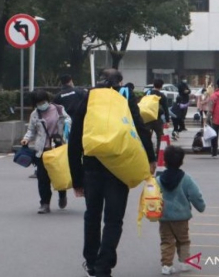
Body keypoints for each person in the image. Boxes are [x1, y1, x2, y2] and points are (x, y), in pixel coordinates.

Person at [68, 68, 156, 277]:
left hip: (92, 166)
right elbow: (139, 128)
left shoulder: (88, 98)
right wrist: (151, 157)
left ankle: (91, 261)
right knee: (113, 220)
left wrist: (76, 177)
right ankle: (104, 266)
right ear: (119, 81)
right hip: (119, 165)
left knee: (92, 216)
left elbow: (75, 139)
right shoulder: (125, 96)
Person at [157, 146, 206, 275]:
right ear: (181, 162)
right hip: (181, 217)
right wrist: (201, 207)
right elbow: (195, 195)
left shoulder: (158, 180)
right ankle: (184, 262)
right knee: (183, 240)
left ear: (165, 161)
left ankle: (166, 265)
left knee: (167, 241)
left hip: (164, 217)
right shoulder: (186, 179)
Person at [21, 89, 71, 213]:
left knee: (59, 175)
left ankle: (62, 194)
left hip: (58, 148)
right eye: (38, 103)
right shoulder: (35, 114)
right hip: (42, 150)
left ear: (48, 100)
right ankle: (44, 204)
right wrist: (26, 139)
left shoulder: (59, 109)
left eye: (43, 101)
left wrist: (65, 125)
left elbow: (69, 121)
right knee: (43, 178)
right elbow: (31, 130)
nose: (41, 104)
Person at [145, 79, 170, 153]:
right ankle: (159, 153)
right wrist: (167, 121)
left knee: (147, 137)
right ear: (161, 86)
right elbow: (166, 109)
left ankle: (148, 154)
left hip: (147, 118)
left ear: (153, 84)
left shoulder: (147, 93)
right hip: (157, 119)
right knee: (160, 136)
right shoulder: (161, 95)